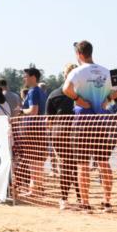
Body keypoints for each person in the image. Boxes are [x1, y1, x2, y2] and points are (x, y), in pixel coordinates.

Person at [63, 41, 117, 212]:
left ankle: (85, 203)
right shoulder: (105, 71)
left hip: (83, 122)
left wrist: (78, 100)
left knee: (83, 164)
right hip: (101, 121)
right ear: (91, 52)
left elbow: (66, 89)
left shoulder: (77, 72)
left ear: (78, 54)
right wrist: (108, 99)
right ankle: (107, 201)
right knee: (103, 162)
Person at [47, 63, 79, 209]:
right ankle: (79, 197)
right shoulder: (83, 92)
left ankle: (65, 199)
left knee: (67, 165)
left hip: (59, 132)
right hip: (77, 131)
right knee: (76, 165)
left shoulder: (54, 94)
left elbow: (49, 120)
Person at [15, 66, 48, 199]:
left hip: (32, 131)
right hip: (39, 130)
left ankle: (34, 190)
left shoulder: (34, 91)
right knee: (37, 162)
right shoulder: (40, 91)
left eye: (26, 76)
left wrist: (22, 111)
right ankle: (37, 188)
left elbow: (33, 111)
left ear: (33, 77)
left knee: (34, 162)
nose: (24, 78)